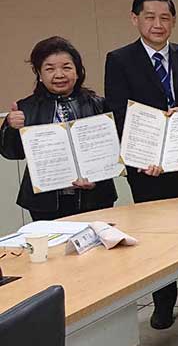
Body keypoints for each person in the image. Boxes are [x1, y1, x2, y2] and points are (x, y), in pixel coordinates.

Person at [104, 0, 178, 328]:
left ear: (173, 21)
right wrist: (143, 155)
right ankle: (163, 301)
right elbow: (120, 113)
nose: (157, 24)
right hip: (147, 167)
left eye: (164, 17)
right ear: (134, 18)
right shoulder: (120, 60)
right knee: (157, 235)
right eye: (150, 17)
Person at [1, 37, 116, 220]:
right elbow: (12, 153)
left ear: (78, 72)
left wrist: (96, 180)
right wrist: (11, 127)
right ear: (39, 74)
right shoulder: (26, 107)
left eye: (66, 67)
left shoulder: (98, 105)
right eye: (50, 69)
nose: (59, 74)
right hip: (44, 202)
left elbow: (110, 153)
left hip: (94, 198)